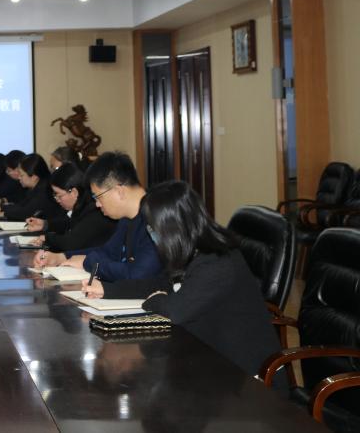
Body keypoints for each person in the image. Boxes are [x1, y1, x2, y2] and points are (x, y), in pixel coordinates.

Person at [81, 181, 284, 384]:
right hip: (209, 358)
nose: (152, 235)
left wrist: (156, 301)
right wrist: (107, 290)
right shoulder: (191, 250)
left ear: (172, 228)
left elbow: (175, 311)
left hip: (249, 378)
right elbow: (161, 284)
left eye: (152, 228)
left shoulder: (218, 263)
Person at [34, 151, 161, 283]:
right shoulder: (127, 217)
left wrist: (90, 263)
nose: (97, 204)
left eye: (98, 197)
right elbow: (108, 251)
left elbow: (137, 275)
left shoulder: (158, 216)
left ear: (119, 191)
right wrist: (62, 257)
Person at [24, 162, 114, 252]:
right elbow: (69, 223)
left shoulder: (95, 211)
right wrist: (45, 224)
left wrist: (47, 238)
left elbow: (70, 243)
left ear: (74, 192)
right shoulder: (82, 206)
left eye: (58, 195)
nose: (57, 200)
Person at [0, 153, 61, 222]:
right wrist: (1, 208)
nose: (19, 178)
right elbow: (21, 205)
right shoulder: (34, 188)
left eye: (22, 175)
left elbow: (26, 212)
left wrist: (3, 213)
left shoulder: (45, 190)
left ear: (34, 177)